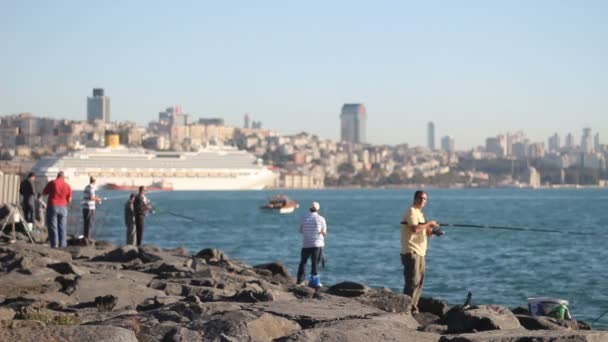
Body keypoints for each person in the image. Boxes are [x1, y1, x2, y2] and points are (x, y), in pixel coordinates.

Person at [400, 190, 440, 314]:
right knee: (412, 282)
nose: (423, 201)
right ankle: (406, 308)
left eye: (425, 199)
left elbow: (425, 232)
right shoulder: (411, 211)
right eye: (420, 198)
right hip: (411, 252)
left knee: (419, 282)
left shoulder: (419, 213)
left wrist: (432, 230)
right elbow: (415, 229)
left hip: (421, 253)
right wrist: (429, 223)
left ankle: (413, 308)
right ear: (415, 198)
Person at [296, 201, 327, 287]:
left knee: (303, 263)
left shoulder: (304, 218)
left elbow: (300, 230)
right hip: (317, 244)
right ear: (318, 209)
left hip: (306, 244)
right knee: (315, 264)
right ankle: (315, 282)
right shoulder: (321, 219)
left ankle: (299, 281)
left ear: (310, 208)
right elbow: (324, 233)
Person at [42, 171, 72, 248]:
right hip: (63, 207)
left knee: (53, 226)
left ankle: (54, 244)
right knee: (62, 227)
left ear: (57, 176)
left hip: (53, 206)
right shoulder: (67, 185)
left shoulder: (53, 183)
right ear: (63, 177)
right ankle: (63, 245)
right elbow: (69, 200)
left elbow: (44, 192)